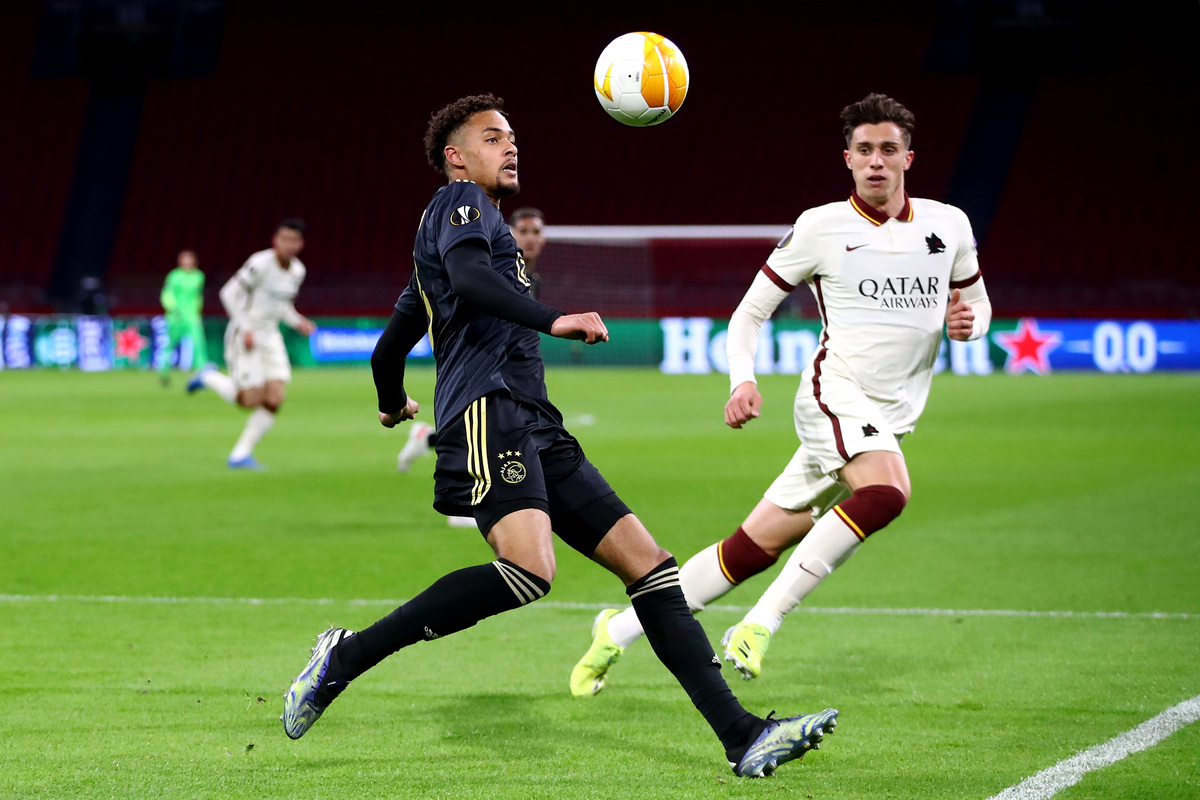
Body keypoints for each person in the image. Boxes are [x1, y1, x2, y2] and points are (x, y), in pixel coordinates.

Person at [281, 94, 837, 779]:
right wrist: (553, 318)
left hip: (534, 420)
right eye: (492, 138)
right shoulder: (458, 204)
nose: (510, 147)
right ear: (456, 156)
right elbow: (467, 279)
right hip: (489, 410)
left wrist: (392, 402)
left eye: (513, 137)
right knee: (529, 570)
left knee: (651, 568)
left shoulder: (472, 239)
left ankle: (742, 735)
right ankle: (345, 657)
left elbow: (389, 346)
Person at [570, 92, 992, 696]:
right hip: (835, 393)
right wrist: (743, 377)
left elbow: (976, 304)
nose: (877, 161)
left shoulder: (948, 225)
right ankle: (760, 623)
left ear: (908, 158)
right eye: (865, 150)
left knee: (755, 545)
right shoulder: (820, 227)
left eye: (888, 150)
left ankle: (619, 630)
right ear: (847, 158)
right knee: (887, 491)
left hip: (891, 415)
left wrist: (969, 322)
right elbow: (748, 314)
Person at [395, 206, 547, 530]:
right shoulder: (495, 266)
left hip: (511, 363)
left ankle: (427, 439)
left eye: (536, 232)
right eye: (524, 231)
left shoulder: (532, 278)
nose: (530, 239)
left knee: (502, 427)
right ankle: (465, 503)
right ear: (511, 233)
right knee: (493, 425)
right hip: (483, 357)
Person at [186, 219, 317, 470]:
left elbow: (281, 306)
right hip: (245, 334)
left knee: (276, 397)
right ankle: (209, 377)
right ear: (275, 240)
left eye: (293, 240)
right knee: (249, 400)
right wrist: (245, 326)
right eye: (283, 239)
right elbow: (228, 293)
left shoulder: (298, 271)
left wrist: (298, 322)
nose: (287, 245)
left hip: (270, 336)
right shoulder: (260, 263)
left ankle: (239, 455)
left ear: (300, 244)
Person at [157, 249, 207, 386]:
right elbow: (167, 294)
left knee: (199, 346)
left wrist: (197, 313)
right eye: (184, 259)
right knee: (169, 346)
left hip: (192, 317)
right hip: (175, 318)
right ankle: (164, 374)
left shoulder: (199, 276)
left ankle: (203, 376)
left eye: (189, 259)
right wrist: (173, 308)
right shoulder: (174, 276)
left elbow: (198, 297)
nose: (186, 262)